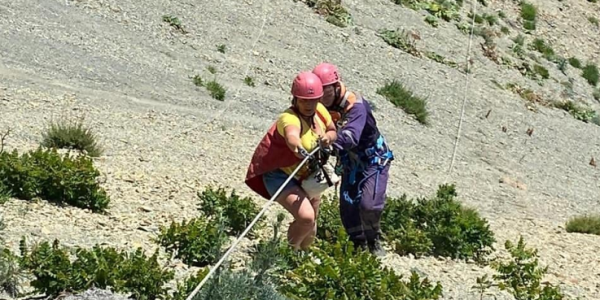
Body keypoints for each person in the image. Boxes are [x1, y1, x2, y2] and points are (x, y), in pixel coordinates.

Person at [245, 71, 338, 250]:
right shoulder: (288, 118)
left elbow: (333, 130)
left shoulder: (320, 112)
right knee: (306, 217)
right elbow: (292, 136)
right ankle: (289, 252)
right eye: (304, 100)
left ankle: (301, 257)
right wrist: (296, 147)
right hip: (281, 175)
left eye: (313, 100)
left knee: (311, 224)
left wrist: (328, 137)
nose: (309, 105)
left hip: (307, 174)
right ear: (295, 99)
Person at [311, 62, 394, 256]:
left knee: (369, 204)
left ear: (336, 87)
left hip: (373, 158)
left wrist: (329, 145)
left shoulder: (356, 106)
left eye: (326, 91)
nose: (321, 97)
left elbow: (351, 136)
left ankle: (373, 239)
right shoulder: (318, 108)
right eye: (318, 92)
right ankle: (358, 244)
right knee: (348, 206)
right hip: (349, 160)